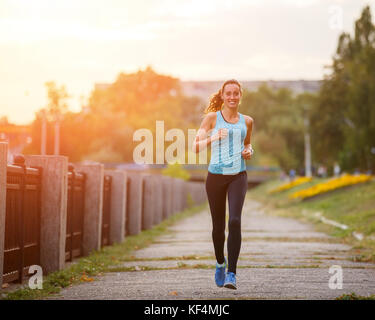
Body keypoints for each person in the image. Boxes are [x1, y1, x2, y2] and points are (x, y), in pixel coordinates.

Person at [192, 79, 254, 290]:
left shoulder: (247, 121)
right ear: (222, 95)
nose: (232, 97)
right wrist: (212, 137)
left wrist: (249, 152)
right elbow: (195, 148)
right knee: (218, 228)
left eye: (236, 93)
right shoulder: (211, 118)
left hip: (238, 174)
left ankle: (232, 274)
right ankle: (220, 262)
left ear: (240, 96)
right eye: (228, 93)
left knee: (234, 221)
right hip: (215, 177)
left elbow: (247, 145)